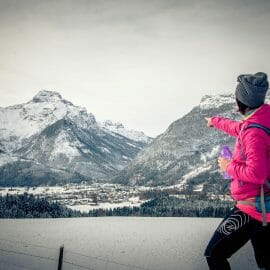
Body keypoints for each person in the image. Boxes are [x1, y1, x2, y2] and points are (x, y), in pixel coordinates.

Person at [204, 72, 270, 270]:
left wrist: (228, 167)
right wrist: (215, 121)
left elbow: (256, 173)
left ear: (243, 101)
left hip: (253, 208)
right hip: (265, 205)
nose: (235, 103)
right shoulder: (261, 120)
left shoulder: (254, 132)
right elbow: (238, 128)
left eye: (237, 99)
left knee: (214, 255)